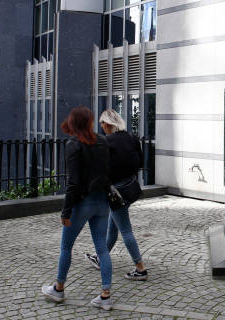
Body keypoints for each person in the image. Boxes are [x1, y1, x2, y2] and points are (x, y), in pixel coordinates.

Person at [41, 106, 114, 311]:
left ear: (74, 123)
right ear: (90, 122)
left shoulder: (74, 144)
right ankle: (105, 295)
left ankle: (58, 289)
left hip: (83, 202)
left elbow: (73, 182)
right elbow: (107, 171)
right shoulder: (102, 141)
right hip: (102, 201)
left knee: (66, 247)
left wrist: (66, 211)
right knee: (102, 248)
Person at [84, 109, 148, 281]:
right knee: (113, 226)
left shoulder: (105, 142)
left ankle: (140, 268)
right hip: (129, 187)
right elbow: (140, 162)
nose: (101, 127)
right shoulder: (132, 138)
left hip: (115, 193)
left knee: (126, 230)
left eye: (102, 124)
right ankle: (100, 257)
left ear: (108, 123)